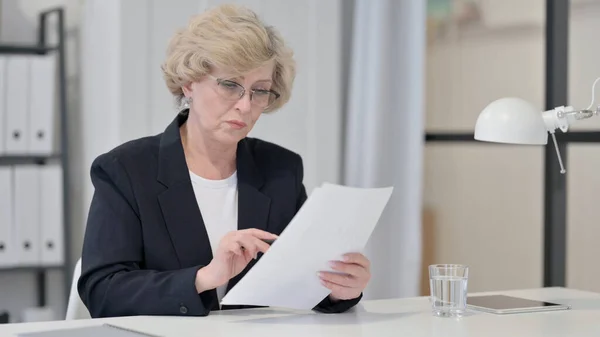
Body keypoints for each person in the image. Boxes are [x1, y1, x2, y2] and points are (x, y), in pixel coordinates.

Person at [78, 4, 371, 318]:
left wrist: (339, 289)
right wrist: (203, 278)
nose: (245, 106)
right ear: (189, 82)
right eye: (231, 84)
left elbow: (301, 281)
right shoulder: (126, 170)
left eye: (260, 91)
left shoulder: (280, 170)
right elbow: (102, 291)